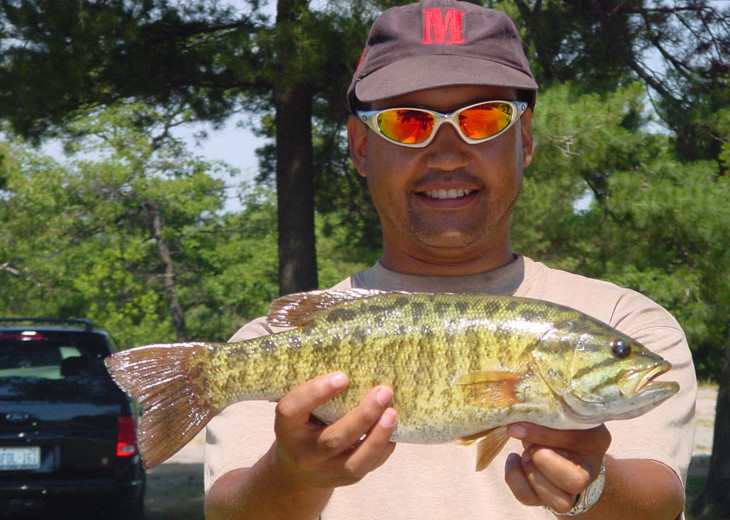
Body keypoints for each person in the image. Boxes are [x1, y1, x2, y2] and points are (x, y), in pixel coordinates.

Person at [203, 0, 697, 518]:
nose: (446, 152)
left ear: (524, 139)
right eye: (408, 122)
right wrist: (291, 478)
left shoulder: (626, 321)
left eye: (483, 120)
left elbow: (659, 501)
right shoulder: (272, 348)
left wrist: (593, 487)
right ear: (361, 147)